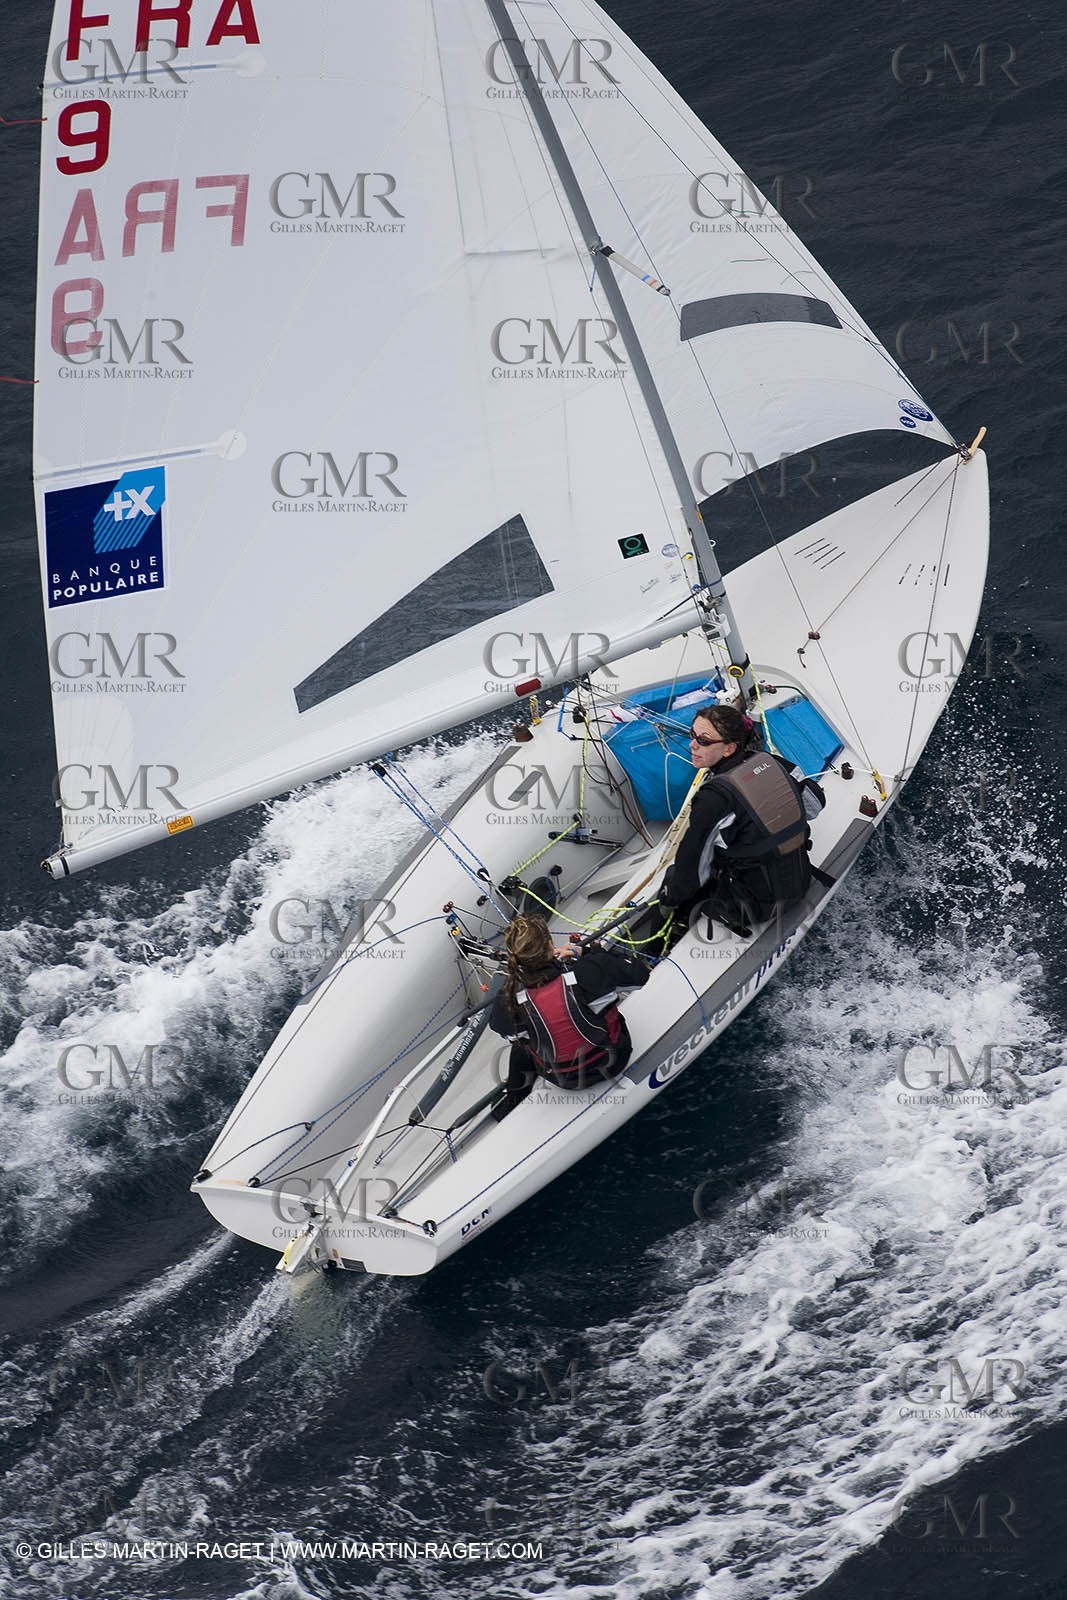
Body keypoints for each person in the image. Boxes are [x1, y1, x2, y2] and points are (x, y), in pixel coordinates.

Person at [658, 703, 825, 939]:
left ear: (729, 749)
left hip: (755, 910)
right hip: (801, 879)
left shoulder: (713, 798)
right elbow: (814, 806)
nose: (692, 745)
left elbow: (692, 869)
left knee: (675, 879)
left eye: (704, 741)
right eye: (692, 735)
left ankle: (664, 938)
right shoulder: (771, 761)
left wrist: (670, 897)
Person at [488, 913, 650, 1120]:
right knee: (603, 1003)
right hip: (613, 1061)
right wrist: (588, 952)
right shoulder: (588, 970)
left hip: (562, 1079)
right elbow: (640, 975)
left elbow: (505, 1031)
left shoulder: (507, 1000)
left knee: (521, 1045)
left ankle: (513, 1098)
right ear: (550, 945)